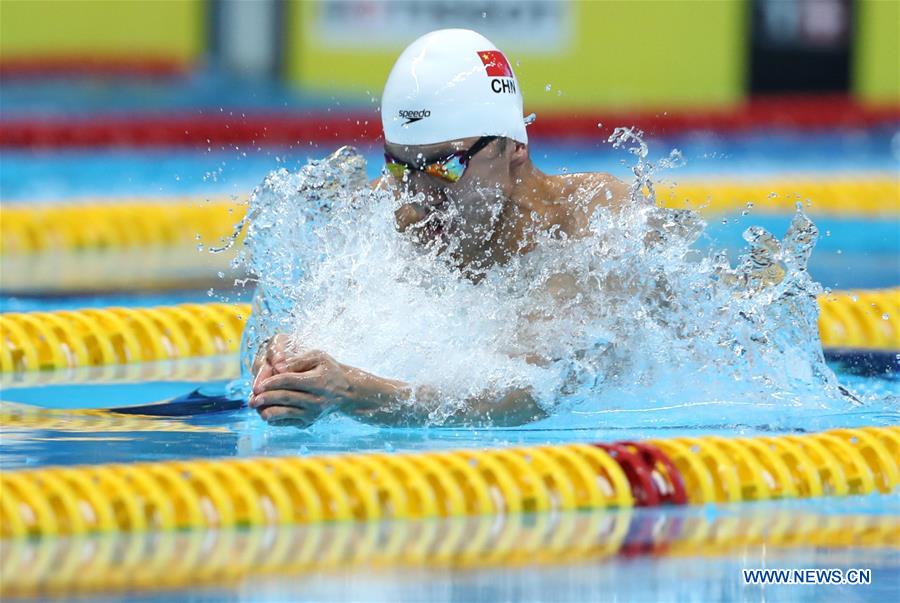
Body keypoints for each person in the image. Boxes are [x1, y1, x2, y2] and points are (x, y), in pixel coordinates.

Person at [249, 29, 633, 428]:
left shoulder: (593, 223)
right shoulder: (393, 210)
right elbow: (331, 324)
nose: (418, 194)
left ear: (514, 145)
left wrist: (352, 392)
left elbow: (533, 392)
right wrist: (282, 362)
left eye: (443, 166)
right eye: (400, 165)